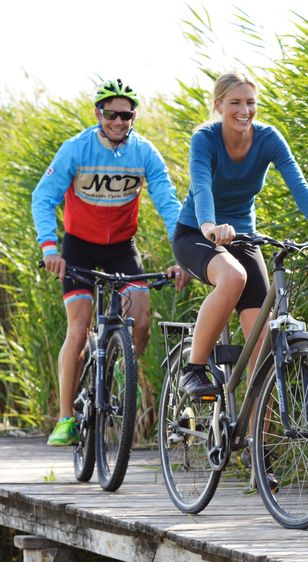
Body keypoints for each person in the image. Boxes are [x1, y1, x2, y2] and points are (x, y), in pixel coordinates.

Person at [171, 71, 308, 399]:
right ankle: (193, 370)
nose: (244, 110)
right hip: (196, 232)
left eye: (250, 103)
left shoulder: (268, 139)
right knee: (233, 277)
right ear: (218, 105)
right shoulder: (205, 139)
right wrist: (209, 226)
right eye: (235, 102)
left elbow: (299, 185)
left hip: (243, 237)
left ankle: (255, 442)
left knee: (262, 347)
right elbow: (202, 185)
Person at [31, 79, 188, 446]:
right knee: (79, 326)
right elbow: (43, 197)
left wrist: (183, 253)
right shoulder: (77, 149)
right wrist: (50, 249)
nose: (119, 121)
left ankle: (122, 372)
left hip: (121, 248)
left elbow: (168, 204)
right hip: (78, 248)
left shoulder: (145, 153)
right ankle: (66, 417)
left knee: (143, 320)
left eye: (127, 114)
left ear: (134, 116)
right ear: (97, 113)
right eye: (111, 114)